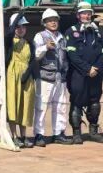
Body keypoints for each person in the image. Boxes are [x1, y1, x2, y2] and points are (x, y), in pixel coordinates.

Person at [65, 1, 103, 144]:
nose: (87, 16)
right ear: (78, 15)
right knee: (76, 102)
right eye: (83, 13)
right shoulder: (71, 31)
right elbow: (72, 55)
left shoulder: (96, 32)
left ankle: (93, 132)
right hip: (78, 74)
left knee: (94, 103)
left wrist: (96, 68)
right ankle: (76, 134)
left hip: (95, 74)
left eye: (89, 13)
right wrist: (87, 69)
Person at [32, 9, 70, 146]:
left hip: (60, 77)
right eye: (50, 20)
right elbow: (35, 55)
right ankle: (39, 134)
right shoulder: (40, 36)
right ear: (44, 23)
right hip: (45, 77)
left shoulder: (62, 37)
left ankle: (58, 133)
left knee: (61, 106)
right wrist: (45, 47)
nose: (53, 22)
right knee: (41, 106)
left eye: (55, 20)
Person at [5, 13, 35, 148]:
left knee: (25, 104)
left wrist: (27, 74)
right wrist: (18, 16)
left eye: (23, 26)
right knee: (13, 104)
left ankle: (23, 135)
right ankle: (14, 136)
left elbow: (33, 60)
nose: (21, 29)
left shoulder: (29, 43)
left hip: (26, 77)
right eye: (18, 26)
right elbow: (9, 34)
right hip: (12, 75)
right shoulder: (9, 41)